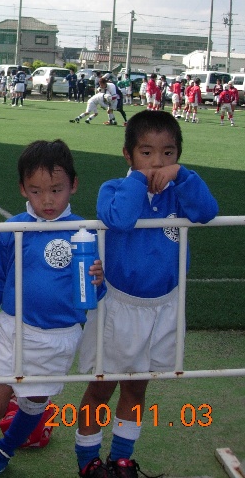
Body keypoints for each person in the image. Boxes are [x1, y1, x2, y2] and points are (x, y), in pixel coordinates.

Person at [74, 111, 218, 478]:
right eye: (146, 152)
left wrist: (182, 176)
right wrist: (138, 180)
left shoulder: (179, 195)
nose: (157, 162)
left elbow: (207, 211)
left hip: (163, 307)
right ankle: (88, 461)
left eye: (168, 153)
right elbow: (120, 219)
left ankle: (122, 459)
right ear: (128, 155)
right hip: (118, 306)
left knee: (137, 389)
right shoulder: (114, 189)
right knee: (100, 389)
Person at [0, 140, 104, 478]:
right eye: (36, 191)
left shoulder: (85, 232)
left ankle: (3, 449)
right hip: (13, 330)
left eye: (56, 190)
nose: (47, 200)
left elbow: (95, 290)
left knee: (35, 403)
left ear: (73, 185)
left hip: (61, 336)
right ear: (23, 188)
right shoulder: (14, 228)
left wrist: (98, 279)